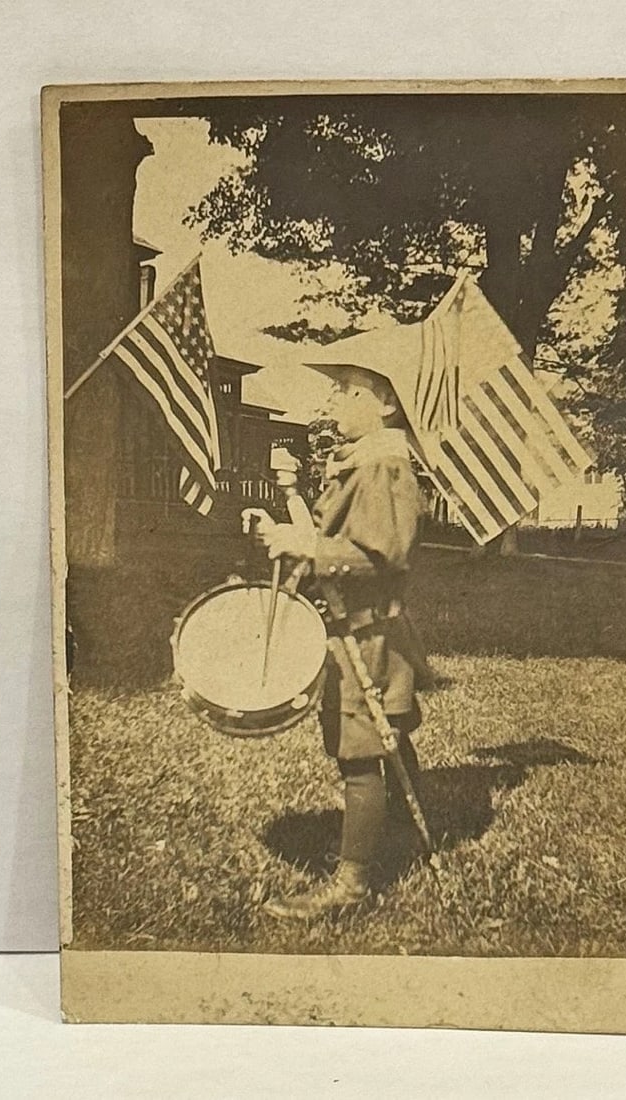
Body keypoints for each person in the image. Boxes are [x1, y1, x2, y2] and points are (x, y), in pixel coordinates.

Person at [252, 364, 429, 921]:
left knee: (361, 751)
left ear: (385, 406)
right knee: (382, 733)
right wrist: (296, 533)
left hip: (368, 630)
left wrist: (301, 547)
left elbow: (379, 555)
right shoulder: (365, 460)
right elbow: (340, 536)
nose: (337, 398)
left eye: (350, 390)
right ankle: (401, 832)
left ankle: (351, 884)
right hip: (359, 624)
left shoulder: (381, 463)